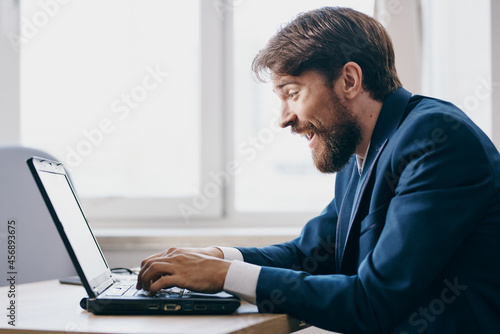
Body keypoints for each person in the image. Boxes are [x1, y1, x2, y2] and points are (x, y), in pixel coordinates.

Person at [136, 6, 500, 333]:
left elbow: (373, 301)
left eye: (292, 93)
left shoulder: (437, 142)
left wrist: (224, 276)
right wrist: (217, 257)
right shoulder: (359, 149)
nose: (284, 119)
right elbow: (309, 255)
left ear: (349, 80)